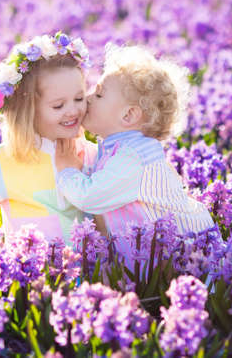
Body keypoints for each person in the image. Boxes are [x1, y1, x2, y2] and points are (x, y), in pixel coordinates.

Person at [55, 44, 214, 257]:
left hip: (186, 261)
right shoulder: (123, 150)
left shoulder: (132, 158)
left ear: (128, 115)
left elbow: (90, 197)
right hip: (155, 259)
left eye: (100, 94)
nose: (89, 97)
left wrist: (67, 171)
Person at [0, 32, 98, 245]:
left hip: (86, 274)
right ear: (28, 110)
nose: (73, 110)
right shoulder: (4, 160)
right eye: (58, 105)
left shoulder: (90, 153)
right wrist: (5, 264)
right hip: (29, 273)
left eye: (79, 98)